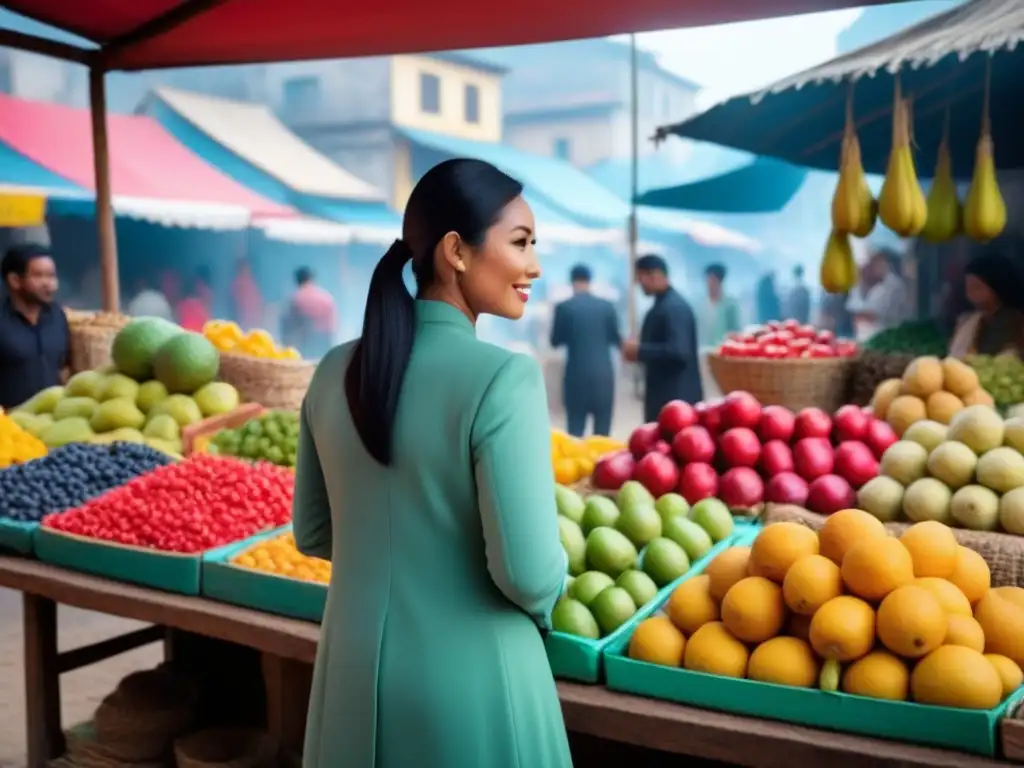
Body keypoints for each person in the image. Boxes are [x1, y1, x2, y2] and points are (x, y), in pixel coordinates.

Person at [292, 158, 571, 768]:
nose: (535, 265)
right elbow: (527, 573)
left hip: (349, 673)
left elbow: (312, 532)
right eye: (521, 243)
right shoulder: (504, 378)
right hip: (473, 683)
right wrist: (559, 585)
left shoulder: (334, 368)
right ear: (457, 252)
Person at [621, 254, 702, 421]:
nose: (639, 283)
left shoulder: (674, 308)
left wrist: (640, 351)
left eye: (640, 277)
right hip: (664, 400)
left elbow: (679, 351)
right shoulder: (663, 306)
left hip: (677, 402)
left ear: (655, 275)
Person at [550, 264, 620, 437]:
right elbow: (615, 339)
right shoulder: (607, 307)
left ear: (572, 281)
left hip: (576, 377)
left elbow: (555, 341)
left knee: (575, 433)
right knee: (603, 435)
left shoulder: (564, 308)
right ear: (590, 280)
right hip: (603, 377)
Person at [0, 244, 68, 410]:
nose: (48, 283)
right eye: (39, 276)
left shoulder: (57, 316)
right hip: (9, 426)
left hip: (52, 420)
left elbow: (64, 366)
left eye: (51, 276)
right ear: (15, 280)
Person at [948, 248, 1024, 358]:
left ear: (997, 287)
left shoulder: (1016, 321)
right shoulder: (968, 321)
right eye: (968, 288)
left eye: (976, 288)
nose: (970, 294)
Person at [847, 247, 909, 342]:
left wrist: (865, 315)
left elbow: (880, 314)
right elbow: (853, 310)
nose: (869, 268)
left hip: (888, 340)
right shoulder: (858, 284)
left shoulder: (894, 285)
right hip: (861, 339)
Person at [282, 267, 337, 360]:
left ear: (297, 280)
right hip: (325, 340)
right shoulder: (326, 297)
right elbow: (332, 324)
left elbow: (289, 326)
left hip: (305, 343)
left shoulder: (296, 298)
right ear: (311, 278)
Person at [697, 262, 741, 349]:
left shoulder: (730, 305)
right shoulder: (700, 305)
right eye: (708, 280)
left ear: (720, 282)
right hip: (702, 350)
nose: (710, 284)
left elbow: (735, 331)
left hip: (722, 352)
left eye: (713, 280)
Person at [231, 257, 263, 330]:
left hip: (254, 320)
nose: (248, 269)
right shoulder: (237, 283)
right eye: (246, 267)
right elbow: (234, 303)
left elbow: (257, 300)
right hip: (243, 321)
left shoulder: (251, 281)